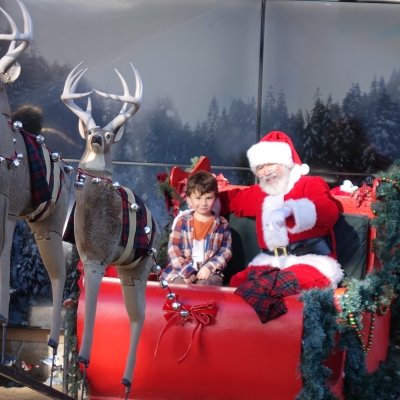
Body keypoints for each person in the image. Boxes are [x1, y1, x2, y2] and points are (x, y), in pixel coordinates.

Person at [219, 131, 344, 290]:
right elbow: (228, 200)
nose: (266, 172)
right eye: (260, 167)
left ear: (286, 163)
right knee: (238, 282)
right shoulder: (260, 192)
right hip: (270, 263)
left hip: (310, 261)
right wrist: (196, 196)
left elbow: (329, 212)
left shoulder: (310, 184)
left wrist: (290, 211)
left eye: (271, 164)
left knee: (274, 285)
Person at [163, 171, 232, 286]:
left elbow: (225, 251)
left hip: (208, 271)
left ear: (215, 198)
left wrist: (209, 268)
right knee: (178, 286)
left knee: (208, 284)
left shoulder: (222, 224)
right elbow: (173, 248)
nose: (203, 203)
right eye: (198, 198)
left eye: (208, 198)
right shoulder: (182, 221)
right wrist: (186, 271)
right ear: (189, 198)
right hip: (181, 269)